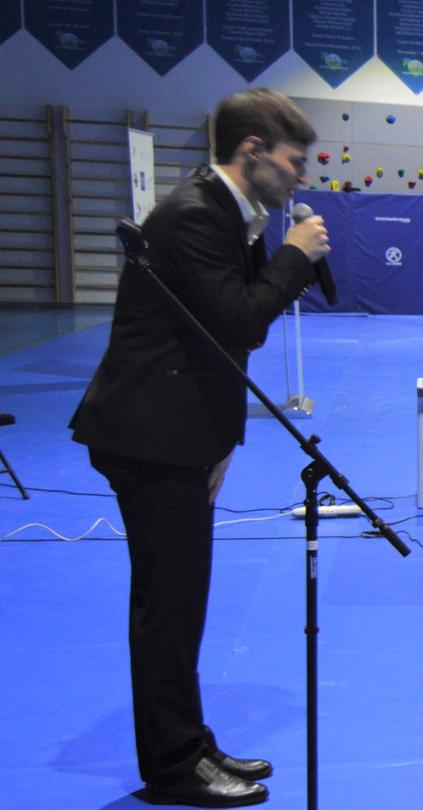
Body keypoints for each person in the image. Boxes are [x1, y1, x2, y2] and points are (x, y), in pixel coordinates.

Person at [69, 88, 327, 808]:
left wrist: (222, 441)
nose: (300, 178)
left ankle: (191, 743)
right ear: (252, 153)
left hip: (182, 434)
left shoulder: (228, 216)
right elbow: (239, 324)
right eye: (292, 162)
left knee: (183, 604)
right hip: (149, 436)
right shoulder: (192, 217)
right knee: (169, 608)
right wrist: (297, 258)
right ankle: (174, 766)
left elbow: (212, 347)